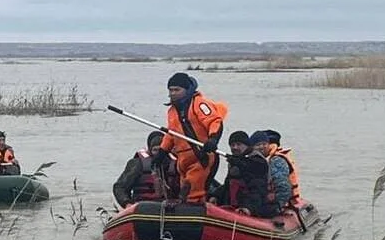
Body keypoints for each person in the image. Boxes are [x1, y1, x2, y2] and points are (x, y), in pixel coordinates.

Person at [156, 72, 228, 204]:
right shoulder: (172, 111)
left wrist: (213, 139)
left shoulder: (199, 104)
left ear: (187, 89)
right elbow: (172, 134)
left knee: (193, 194)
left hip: (201, 157)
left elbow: (214, 121)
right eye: (170, 90)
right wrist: (162, 152)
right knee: (184, 191)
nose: (173, 93)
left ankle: (197, 213)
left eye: (177, 90)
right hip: (183, 161)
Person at [113, 131, 179, 207]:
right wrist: (127, 203)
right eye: (155, 150)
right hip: (143, 206)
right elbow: (120, 187)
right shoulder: (138, 164)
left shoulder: (176, 164)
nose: (158, 154)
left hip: (170, 207)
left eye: (161, 150)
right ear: (150, 150)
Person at [209, 130, 269, 214]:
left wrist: (248, 208)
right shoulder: (234, 162)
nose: (235, 147)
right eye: (232, 145)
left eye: (238, 144)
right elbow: (227, 185)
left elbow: (258, 189)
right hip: (233, 207)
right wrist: (215, 196)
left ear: (247, 145)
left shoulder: (258, 162)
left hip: (252, 208)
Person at [249, 131, 300, 215]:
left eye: (264, 144)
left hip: (283, 204)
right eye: (257, 145)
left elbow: (283, 187)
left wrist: (277, 206)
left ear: (269, 144)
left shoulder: (276, 160)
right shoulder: (264, 159)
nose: (261, 147)